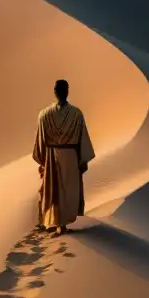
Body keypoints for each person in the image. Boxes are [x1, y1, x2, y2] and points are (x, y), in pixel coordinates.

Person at [33, 79, 95, 235]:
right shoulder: (76, 114)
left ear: (55, 92)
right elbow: (83, 140)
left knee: (55, 191)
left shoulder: (44, 115)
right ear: (67, 91)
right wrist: (82, 160)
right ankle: (61, 224)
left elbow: (40, 143)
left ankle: (56, 223)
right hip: (70, 158)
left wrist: (43, 160)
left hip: (52, 157)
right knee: (66, 191)